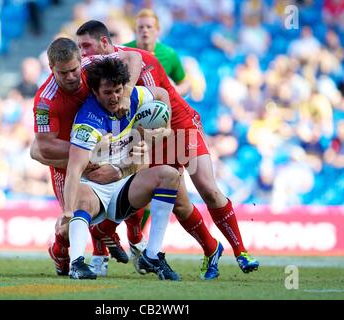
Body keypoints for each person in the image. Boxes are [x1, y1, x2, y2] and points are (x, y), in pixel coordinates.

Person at [76, 20, 259, 277]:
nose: (83, 53)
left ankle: (241, 252)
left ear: (104, 43)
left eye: (87, 46)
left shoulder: (135, 58)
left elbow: (159, 100)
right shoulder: (95, 72)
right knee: (178, 204)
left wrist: (130, 100)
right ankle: (211, 249)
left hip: (179, 124)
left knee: (207, 187)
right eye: (80, 48)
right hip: (149, 134)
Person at [30, 37, 143, 276]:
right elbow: (44, 147)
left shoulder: (93, 64)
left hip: (101, 152)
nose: (71, 77)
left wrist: (127, 94)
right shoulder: (44, 100)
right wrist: (88, 151)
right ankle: (60, 251)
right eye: (63, 73)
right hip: (67, 164)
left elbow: (134, 57)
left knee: (130, 189)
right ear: (51, 68)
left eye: (74, 69)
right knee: (69, 223)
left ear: (80, 60)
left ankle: (105, 231)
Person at [62, 57, 180, 281]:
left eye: (118, 90)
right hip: (95, 191)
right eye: (107, 92)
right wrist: (67, 213)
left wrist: (165, 129)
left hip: (125, 186)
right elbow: (73, 171)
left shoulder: (134, 96)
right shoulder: (87, 122)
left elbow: (162, 95)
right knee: (81, 195)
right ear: (95, 92)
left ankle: (152, 255)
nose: (115, 97)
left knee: (171, 176)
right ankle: (76, 263)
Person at [123, 8, 191, 97]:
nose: (145, 30)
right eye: (141, 27)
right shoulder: (124, 50)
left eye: (149, 27)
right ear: (135, 30)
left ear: (157, 30)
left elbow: (184, 82)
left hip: (157, 104)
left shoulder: (169, 54)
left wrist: (175, 92)